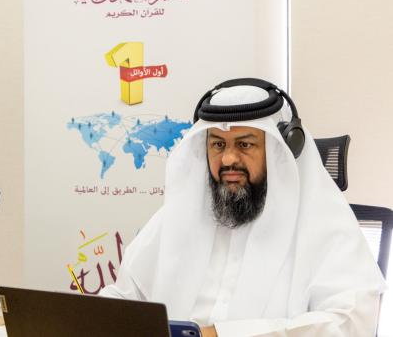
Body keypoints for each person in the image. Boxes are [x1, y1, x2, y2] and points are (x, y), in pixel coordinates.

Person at [99, 79, 386, 336]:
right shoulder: (177, 217)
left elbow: (348, 324)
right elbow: (126, 295)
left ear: (279, 150)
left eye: (245, 145)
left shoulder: (324, 226)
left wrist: (219, 335)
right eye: (218, 145)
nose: (228, 159)